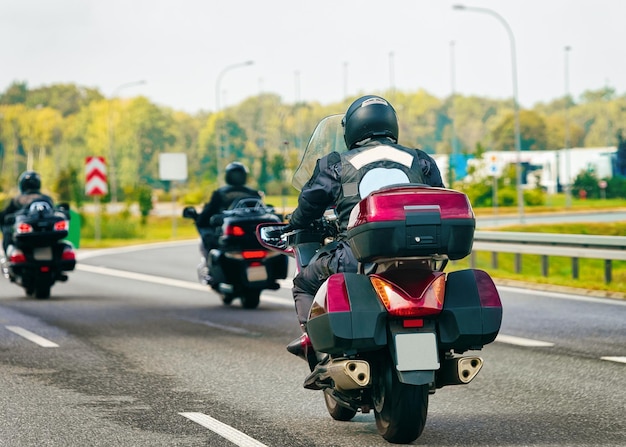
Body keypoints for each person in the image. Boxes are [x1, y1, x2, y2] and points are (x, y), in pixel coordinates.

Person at [285, 95, 445, 360]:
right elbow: (438, 197)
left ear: (352, 127)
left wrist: (294, 222)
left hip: (357, 254)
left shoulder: (336, 163)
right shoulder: (421, 160)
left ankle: (314, 344)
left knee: (304, 282)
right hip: (419, 254)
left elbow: (309, 205)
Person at [0, 171, 54, 254]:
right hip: (47, 236)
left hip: (25, 237)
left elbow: (5, 215)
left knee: (7, 229)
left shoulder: (18, 199)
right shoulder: (47, 198)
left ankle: (8, 252)